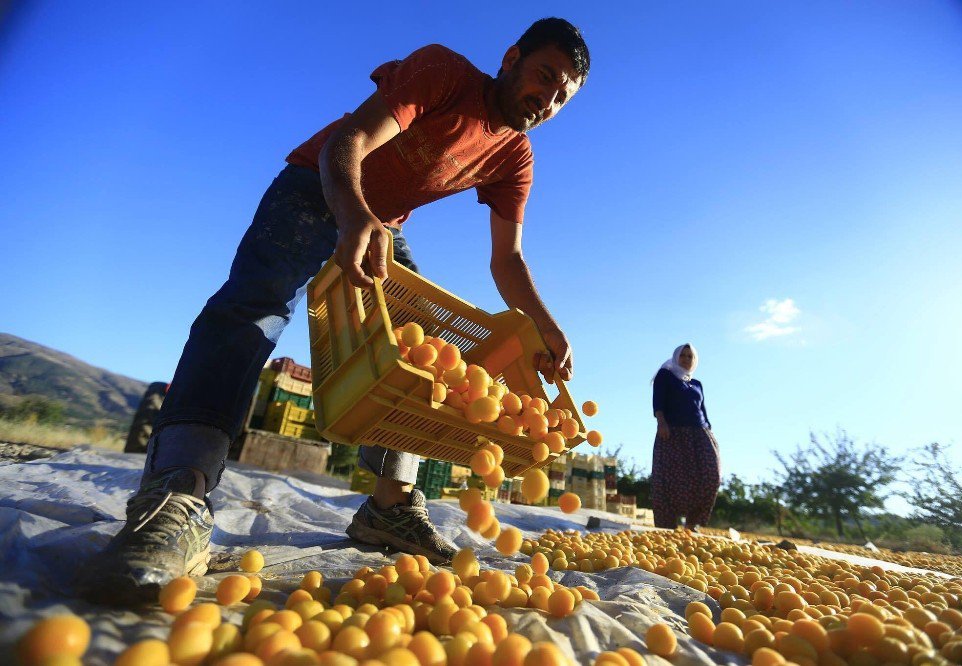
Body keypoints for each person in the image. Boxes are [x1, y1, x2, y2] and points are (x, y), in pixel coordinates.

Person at [81, 18, 590, 604]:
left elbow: (508, 260)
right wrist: (352, 214)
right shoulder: (444, 72)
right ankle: (181, 490)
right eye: (544, 75)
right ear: (511, 58)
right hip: (318, 186)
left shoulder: (516, 156)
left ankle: (389, 507)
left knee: (419, 350)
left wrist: (547, 329)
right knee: (252, 309)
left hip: (385, 223)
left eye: (562, 95)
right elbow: (346, 142)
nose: (547, 98)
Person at [650, 343, 721, 529]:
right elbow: (658, 400)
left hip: (700, 433)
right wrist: (661, 422)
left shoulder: (697, 384)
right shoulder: (665, 375)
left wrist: (710, 431)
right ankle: (668, 526)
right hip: (673, 433)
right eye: (683, 355)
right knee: (671, 480)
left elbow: (702, 410)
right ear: (676, 357)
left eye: (690, 356)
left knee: (711, 474)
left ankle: (693, 523)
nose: (687, 359)